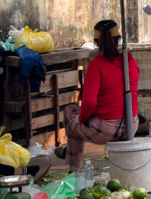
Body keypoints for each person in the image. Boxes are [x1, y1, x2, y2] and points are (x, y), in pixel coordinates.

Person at [57, 19, 139, 172]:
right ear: (118, 39)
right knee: (77, 120)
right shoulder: (130, 62)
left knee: (70, 112)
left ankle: (73, 167)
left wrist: (79, 119)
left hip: (103, 131)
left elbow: (89, 103)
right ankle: (70, 150)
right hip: (130, 126)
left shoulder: (96, 65)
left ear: (96, 43)